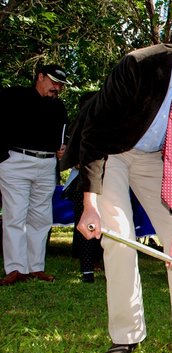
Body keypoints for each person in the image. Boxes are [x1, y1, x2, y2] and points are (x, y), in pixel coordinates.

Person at [60, 20, 172, 353]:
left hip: (156, 157)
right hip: (110, 149)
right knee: (119, 238)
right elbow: (95, 132)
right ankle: (125, 337)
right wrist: (90, 204)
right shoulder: (138, 66)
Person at [0, 64, 70, 286]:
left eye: (60, 84)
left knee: (41, 217)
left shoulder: (59, 107)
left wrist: (63, 149)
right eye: (53, 82)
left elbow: (63, 137)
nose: (57, 87)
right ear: (40, 77)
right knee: (15, 215)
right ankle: (16, 269)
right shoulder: (13, 96)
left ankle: (36, 267)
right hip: (16, 162)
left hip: (47, 165)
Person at [64, 91, 103, 283]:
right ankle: (87, 269)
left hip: (106, 182)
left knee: (106, 225)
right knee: (86, 222)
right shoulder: (76, 129)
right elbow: (71, 158)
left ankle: (99, 263)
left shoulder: (108, 126)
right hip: (82, 183)